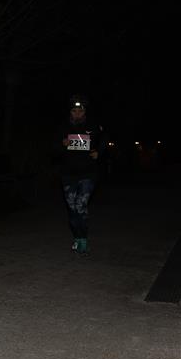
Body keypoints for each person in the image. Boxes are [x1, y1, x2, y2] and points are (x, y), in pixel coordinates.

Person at [57, 94, 106, 255]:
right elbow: (52, 149)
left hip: (88, 173)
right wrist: (61, 145)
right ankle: (77, 238)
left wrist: (99, 153)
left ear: (85, 112)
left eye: (80, 111)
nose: (77, 114)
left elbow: (105, 142)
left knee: (80, 205)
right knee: (72, 209)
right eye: (74, 111)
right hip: (68, 174)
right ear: (70, 112)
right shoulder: (63, 126)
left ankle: (83, 240)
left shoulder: (94, 125)